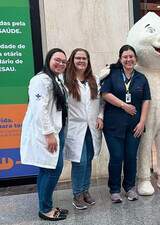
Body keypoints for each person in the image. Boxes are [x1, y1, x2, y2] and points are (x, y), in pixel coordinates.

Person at [20, 48, 68, 221]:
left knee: (47, 169)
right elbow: (40, 109)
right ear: (48, 59)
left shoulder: (55, 79)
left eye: (64, 61)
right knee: (52, 169)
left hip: (56, 130)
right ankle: (45, 209)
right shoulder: (40, 80)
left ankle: (45, 204)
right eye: (57, 60)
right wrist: (48, 134)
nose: (61, 63)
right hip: (47, 133)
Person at [101, 45, 151, 203]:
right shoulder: (113, 75)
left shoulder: (141, 78)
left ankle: (129, 187)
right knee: (116, 157)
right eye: (125, 57)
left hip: (134, 126)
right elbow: (105, 94)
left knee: (131, 157)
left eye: (131, 56)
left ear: (135, 58)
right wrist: (123, 105)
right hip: (113, 126)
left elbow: (146, 100)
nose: (129, 59)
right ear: (120, 59)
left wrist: (142, 121)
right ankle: (114, 189)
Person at [63, 48, 104, 210]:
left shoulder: (94, 79)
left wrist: (101, 116)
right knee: (79, 162)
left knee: (88, 160)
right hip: (75, 127)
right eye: (78, 58)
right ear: (72, 60)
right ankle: (77, 194)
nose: (81, 61)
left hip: (92, 126)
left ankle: (86, 191)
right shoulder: (66, 80)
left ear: (88, 61)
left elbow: (101, 102)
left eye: (84, 58)